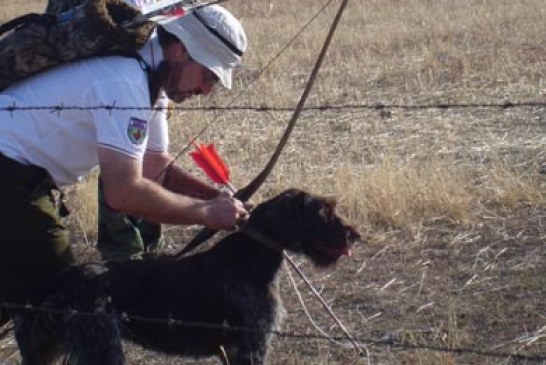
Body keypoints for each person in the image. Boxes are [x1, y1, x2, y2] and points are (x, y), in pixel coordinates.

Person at [0, 4, 249, 320]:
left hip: (19, 176)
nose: (205, 89)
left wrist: (214, 197)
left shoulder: (148, 74)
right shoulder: (125, 81)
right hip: (10, 174)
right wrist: (207, 214)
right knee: (64, 306)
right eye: (208, 75)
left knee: (29, 299)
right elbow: (123, 193)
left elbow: (154, 167)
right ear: (180, 50)